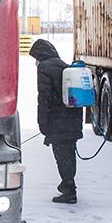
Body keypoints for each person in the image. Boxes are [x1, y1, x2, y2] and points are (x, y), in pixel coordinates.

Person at [30, 38, 84, 204]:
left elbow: (44, 98)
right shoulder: (63, 65)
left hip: (57, 121)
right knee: (68, 154)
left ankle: (68, 190)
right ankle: (69, 186)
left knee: (62, 157)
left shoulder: (44, 68)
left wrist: (43, 123)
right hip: (71, 120)